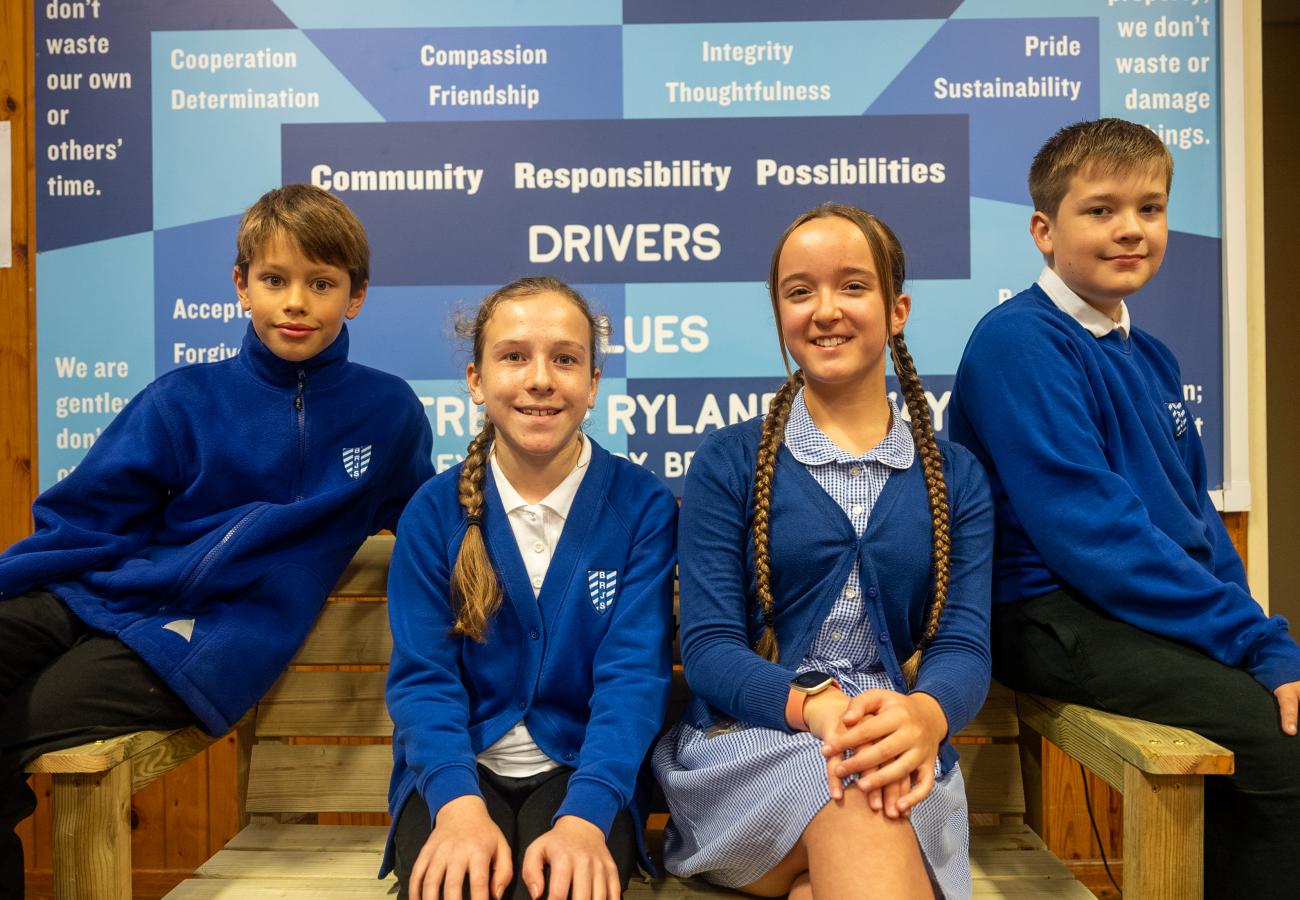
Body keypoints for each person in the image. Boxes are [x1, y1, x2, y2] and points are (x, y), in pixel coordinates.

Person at [0, 183, 434, 899]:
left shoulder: (386, 413)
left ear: (354, 296)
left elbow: (426, 517)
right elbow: (87, 516)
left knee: (17, 726)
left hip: (205, 640)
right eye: (275, 280)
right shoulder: (183, 398)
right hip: (99, 598)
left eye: (321, 283)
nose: (296, 302)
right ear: (242, 287)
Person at [949, 117, 1300, 897]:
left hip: (1128, 610)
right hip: (1051, 611)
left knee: (1269, 719)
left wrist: (1259, 637)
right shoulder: (1019, 343)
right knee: (1275, 747)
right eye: (1101, 209)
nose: (1131, 230)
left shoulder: (1152, 355)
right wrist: (1252, 644)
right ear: (1045, 229)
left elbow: (1195, 520)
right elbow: (1093, 534)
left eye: (1150, 208)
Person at [653, 204, 994, 900]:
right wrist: (816, 709)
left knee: (856, 822)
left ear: (897, 309)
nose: (825, 310)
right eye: (799, 290)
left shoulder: (955, 478)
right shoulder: (730, 461)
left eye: (853, 286)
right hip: (751, 745)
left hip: (899, 748)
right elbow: (713, 648)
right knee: (859, 795)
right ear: (779, 311)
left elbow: (962, 643)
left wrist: (924, 718)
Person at [382, 275, 677, 900]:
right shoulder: (434, 512)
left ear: (593, 384)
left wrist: (588, 816)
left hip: (583, 776)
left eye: (565, 359)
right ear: (475, 380)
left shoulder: (642, 506)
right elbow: (423, 679)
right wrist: (456, 807)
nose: (540, 378)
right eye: (514, 356)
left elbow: (632, 679)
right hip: (455, 773)